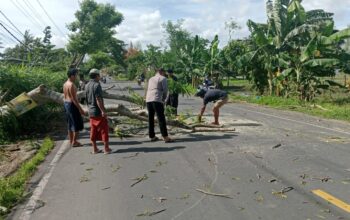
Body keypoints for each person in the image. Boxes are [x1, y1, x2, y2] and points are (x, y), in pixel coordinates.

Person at [85, 68, 112, 154]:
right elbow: (98, 99)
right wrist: (103, 111)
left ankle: (95, 149)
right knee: (104, 130)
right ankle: (106, 149)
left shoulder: (87, 85)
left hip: (91, 111)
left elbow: (85, 99)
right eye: (99, 75)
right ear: (96, 76)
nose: (99, 77)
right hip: (97, 111)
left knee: (93, 130)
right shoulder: (97, 85)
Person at [145, 68, 173, 143]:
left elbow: (147, 89)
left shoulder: (151, 78)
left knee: (150, 118)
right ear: (161, 72)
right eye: (164, 72)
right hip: (156, 99)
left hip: (148, 99)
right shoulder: (163, 78)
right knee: (161, 118)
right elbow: (165, 90)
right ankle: (165, 137)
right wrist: (163, 100)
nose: (164, 74)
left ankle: (152, 136)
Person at [63, 68, 85, 147]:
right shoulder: (71, 85)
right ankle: (74, 142)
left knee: (70, 124)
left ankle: (71, 141)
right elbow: (74, 99)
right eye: (76, 75)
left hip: (66, 104)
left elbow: (66, 96)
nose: (76, 76)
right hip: (72, 105)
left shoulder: (65, 83)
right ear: (72, 75)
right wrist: (80, 109)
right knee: (76, 124)